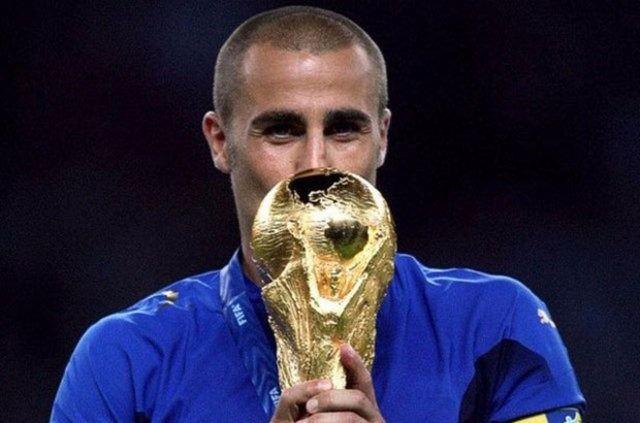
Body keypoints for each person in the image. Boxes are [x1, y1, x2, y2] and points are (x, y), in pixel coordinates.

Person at [51, 6, 585, 422]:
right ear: (220, 142)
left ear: (382, 138)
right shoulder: (127, 358)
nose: (315, 163)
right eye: (281, 131)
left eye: (343, 129)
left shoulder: (494, 326)